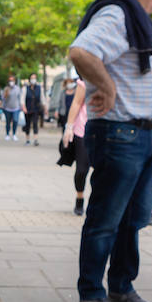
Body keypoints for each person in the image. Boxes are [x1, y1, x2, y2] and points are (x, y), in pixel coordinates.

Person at [67, 0, 152, 302]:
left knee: (133, 217)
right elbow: (80, 52)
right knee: (106, 217)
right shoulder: (118, 14)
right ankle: (92, 292)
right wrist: (107, 87)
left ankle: (122, 286)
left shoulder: (135, 16)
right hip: (119, 132)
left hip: (142, 133)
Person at [60, 77, 90, 214]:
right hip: (82, 131)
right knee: (81, 170)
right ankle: (80, 197)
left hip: (106, 132)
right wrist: (69, 127)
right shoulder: (86, 78)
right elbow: (77, 103)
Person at [23, 74, 44, 145]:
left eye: (34, 78)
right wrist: (23, 107)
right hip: (27, 109)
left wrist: (45, 107)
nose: (33, 79)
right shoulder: (25, 88)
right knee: (27, 124)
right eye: (32, 78)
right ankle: (27, 140)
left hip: (36, 109)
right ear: (29, 79)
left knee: (35, 124)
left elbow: (42, 98)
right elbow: (22, 99)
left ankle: (35, 140)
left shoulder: (39, 88)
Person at [1, 74, 23, 140]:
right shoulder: (6, 89)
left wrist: (21, 106)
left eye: (12, 80)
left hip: (16, 108)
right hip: (7, 108)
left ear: (15, 81)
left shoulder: (18, 88)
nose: (11, 82)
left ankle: (14, 134)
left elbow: (20, 98)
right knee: (8, 122)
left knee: (15, 121)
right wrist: (5, 95)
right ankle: (7, 134)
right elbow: (3, 99)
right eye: (10, 80)